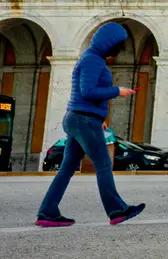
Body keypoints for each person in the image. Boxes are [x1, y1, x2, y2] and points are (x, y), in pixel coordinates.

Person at [35, 22, 146, 227]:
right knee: (103, 164)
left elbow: (85, 95)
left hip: (81, 118)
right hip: (83, 119)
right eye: (117, 45)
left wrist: (100, 118)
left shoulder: (91, 58)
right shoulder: (92, 60)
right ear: (108, 42)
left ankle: (47, 212)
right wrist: (116, 91)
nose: (118, 50)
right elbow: (88, 91)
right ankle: (117, 210)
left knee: (67, 169)